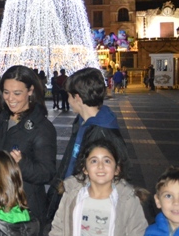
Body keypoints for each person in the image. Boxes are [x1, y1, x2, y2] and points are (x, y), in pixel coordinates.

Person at [41, 138, 147, 236]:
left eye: (107, 160)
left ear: (117, 169)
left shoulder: (127, 201)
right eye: (94, 161)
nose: (100, 166)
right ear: (85, 168)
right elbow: (58, 232)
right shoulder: (73, 197)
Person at [0, 65, 56, 224]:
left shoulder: (42, 127)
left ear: (30, 91)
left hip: (24, 211)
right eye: (6, 92)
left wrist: (21, 164)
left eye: (17, 93)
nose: (10, 98)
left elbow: (47, 173)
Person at [46, 67, 130, 221]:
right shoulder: (82, 123)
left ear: (77, 98)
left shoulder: (103, 132)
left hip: (87, 214)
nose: (68, 100)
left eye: (69, 96)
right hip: (72, 202)